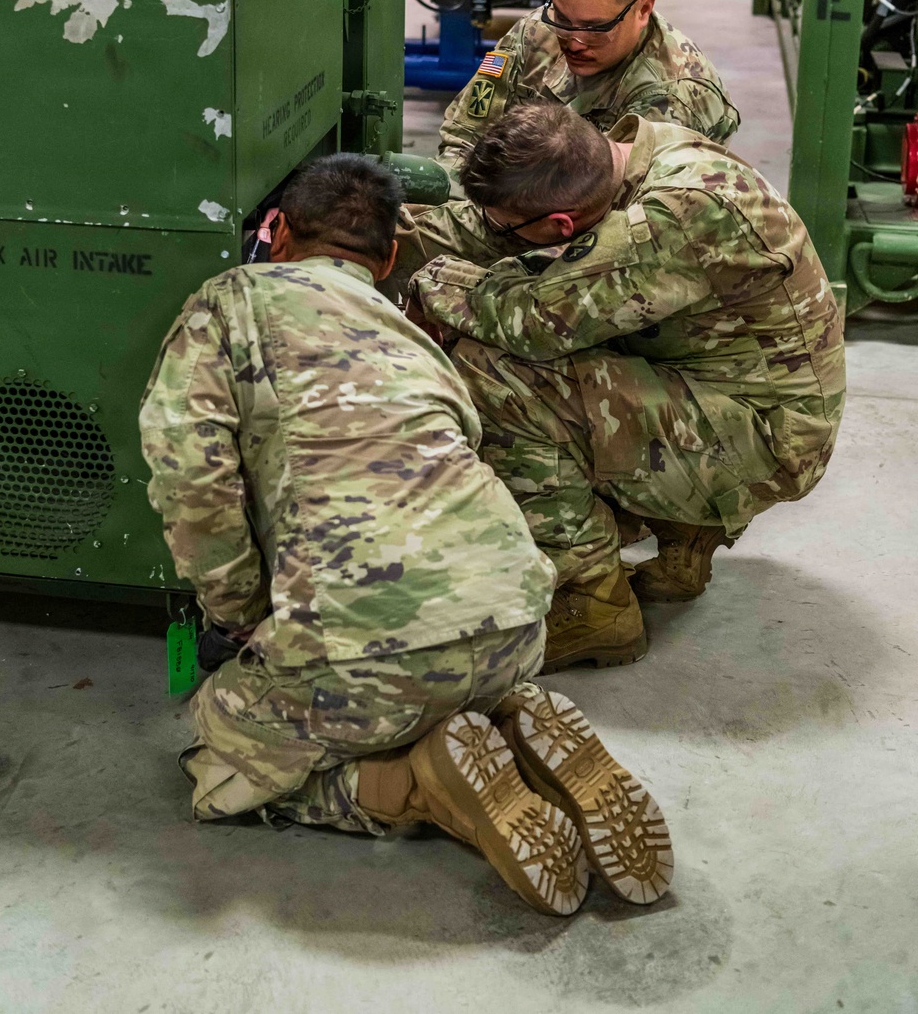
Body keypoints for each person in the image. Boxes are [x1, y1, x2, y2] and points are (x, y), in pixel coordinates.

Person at [140, 153, 673, 915]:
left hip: (367, 650)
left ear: (277, 232)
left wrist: (239, 612)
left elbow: (190, 474)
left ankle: (413, 786)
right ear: (389, 258)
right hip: (519, 627)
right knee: (410, 680)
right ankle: (508, 726)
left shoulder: (227, 304)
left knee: (217, 748)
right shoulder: (410, 333)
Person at [408, 105, 846, 672]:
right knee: (576, 348)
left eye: (504, 225)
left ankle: (592, 603)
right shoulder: (638, 155)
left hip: (767, 443)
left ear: (562, 224)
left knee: (493, 372)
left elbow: (534, 322)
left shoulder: (682, 213)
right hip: (735, 393)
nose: (496, 232)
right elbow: (511, 254)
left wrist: (432, 281)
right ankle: (684, 531)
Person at [390, 0, 740, 295]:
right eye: (562, 16)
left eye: (593, 27)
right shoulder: (538, 31)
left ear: (643, 10)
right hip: (510, 212)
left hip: (595, 249)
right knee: (385, 222)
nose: (572, 40)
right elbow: (466, 132)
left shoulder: (674, 96)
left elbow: (627, 240)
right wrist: (466, 202)